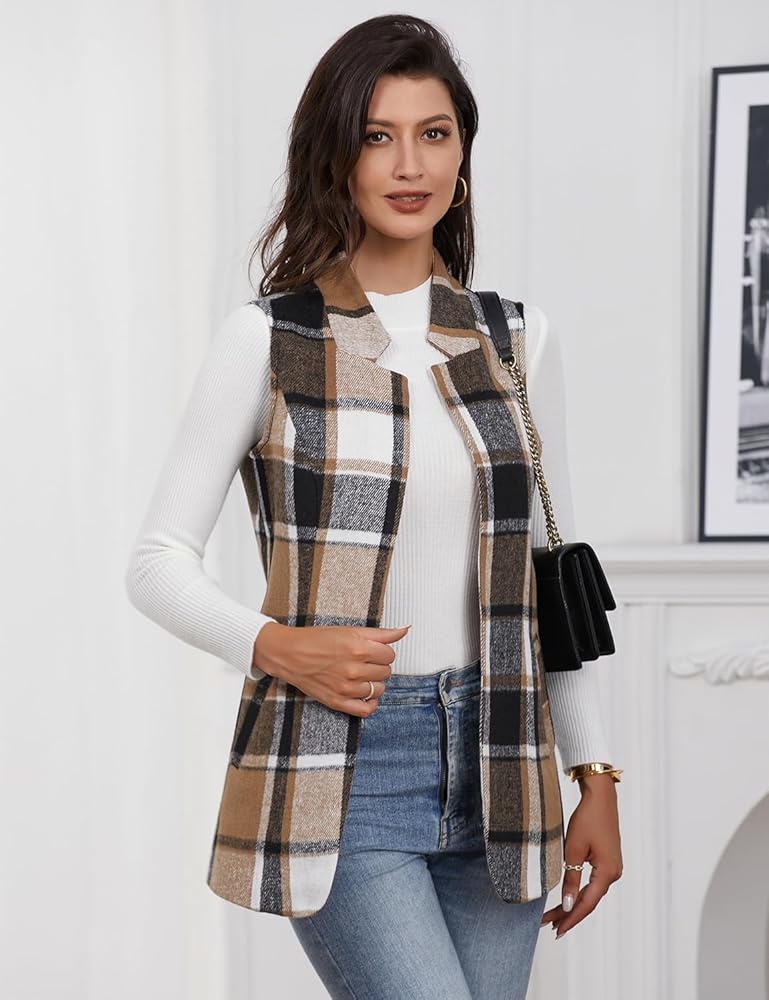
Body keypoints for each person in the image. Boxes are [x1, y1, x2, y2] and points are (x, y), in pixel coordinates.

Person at [125, 14, 623, 999]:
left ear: (462, 153)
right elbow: (155, 561)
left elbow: (548, 576)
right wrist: (276, 645)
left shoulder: (516, 338)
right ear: (335, 157)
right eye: (377, 135)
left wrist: (595, 774)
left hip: (505, 757)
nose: (409, 164)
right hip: (344, 765)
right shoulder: (269, 339)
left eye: (434, 133)